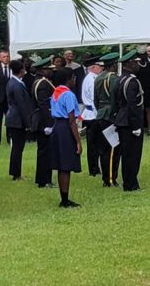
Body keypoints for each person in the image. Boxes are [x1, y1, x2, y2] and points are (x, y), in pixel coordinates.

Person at [48, 68, 82, 208]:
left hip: (56, 127)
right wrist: (78, 141)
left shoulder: (56, 92)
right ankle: (65, 199)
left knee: (61, 165)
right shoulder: (68, 94)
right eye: (74, 77)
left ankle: (64, 197)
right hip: (65, 129)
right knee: (66, 164)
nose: (75, 80)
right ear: (69, 78)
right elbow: (72, 119)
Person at [113, 63, 145, 191]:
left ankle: (129, 181)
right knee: (133, 154)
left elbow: (115, 101)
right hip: (129, 121)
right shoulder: (132, 82)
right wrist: (136, 125)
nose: (138, 65)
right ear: (129, 65)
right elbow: (133, 104)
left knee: (126, 154)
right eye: (135, 63)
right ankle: (131, 184)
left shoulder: (119, 79)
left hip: (122, 119)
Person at [79, 54, 110, 182]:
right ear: (93, 67)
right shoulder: (92, 80)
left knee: (94, 142)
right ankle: (94, 168)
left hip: (91, 113)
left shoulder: (90, 78)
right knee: (94, 143)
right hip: (93, 114)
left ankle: (95, 166)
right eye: (99, 66)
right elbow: (94, 98)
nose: (101, 69)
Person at [4, 59, 36, 181]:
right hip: (17, 119)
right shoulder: (16, 85)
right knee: (18, 147)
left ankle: (15, 172)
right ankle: (16, 173)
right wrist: (28, 123)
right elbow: (21, 105)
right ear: (21, 71)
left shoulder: (12, 82)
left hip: (14, 117)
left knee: (17, 147)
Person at [31, 56, 56, 188]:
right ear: (42, 70)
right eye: (49, 69)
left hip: (43, 119)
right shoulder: (43, 84)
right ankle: (44, 179)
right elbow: (44, 105)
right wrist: (48, 124)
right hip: (44, 121)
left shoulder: (40, 81)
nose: (51, 71)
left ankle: (45, 179)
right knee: (45, 151)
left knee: (45, 151)